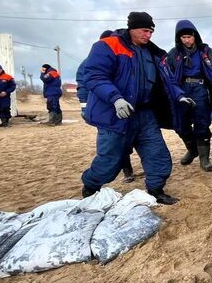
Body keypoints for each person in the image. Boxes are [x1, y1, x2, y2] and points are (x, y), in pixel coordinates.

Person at [81, 12, 193, 205]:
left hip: (145, 114)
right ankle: (91, 187)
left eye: (151, 31)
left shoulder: (154, 53)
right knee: (110, 160)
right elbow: (94, 76)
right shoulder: (107, 46)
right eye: (144, 31)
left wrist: (180, 95)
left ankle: (156, 190)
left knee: (157, 153)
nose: (148, 35)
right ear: (132, 28)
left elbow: (168, 80)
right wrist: (115, 99)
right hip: (116, 114)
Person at [166, 20, 212, 171]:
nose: (186, 40)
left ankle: (204, 159)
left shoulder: (207, 52)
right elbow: (166, 74)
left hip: (200, 89)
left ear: (195, 36)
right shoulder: (174, 54)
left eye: (189, 36)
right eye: (183, 37)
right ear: (179, 38)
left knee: (202, 123)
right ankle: (192, 149)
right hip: (181, 90)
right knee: (181, 124)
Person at [77, 30, 135, 182]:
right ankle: (126, 170)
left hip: (124, 106)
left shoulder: (126, 55)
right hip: (103, 110)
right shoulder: (90, 61)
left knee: (126, 141)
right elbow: (83, 85)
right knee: (112, 144)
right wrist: (84, 107)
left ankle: (127, 169)